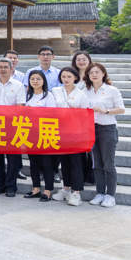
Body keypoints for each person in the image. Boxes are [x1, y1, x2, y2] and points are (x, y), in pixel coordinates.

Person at [84, 63, 125, 208]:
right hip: (91, 130)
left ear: (103, 74)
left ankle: (110, 195)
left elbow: (121, 109)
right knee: (97, 164)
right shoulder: (86, 91)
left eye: (97, 72)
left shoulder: (111, 90)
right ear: (88, 76)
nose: (94, 75)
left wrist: (105, 110)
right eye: (91, 73)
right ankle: (100, 193)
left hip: (107, 129)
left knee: (108, 164)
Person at [51, 67, 88, 206]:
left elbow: (85, 116)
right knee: (64, 162)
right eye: (63, 76)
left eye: (69, 76)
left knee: (76, 163)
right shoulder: (55, 91)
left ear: (75, 78)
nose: (66, 79)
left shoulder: (81, 94)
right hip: (59, 131)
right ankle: (66, 189)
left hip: (75, 132)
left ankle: (76, 193)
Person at [0, 57, 25, 197]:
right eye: (0, 67)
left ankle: (11, 187)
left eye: (5, 67)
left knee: (13, 159)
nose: (3, 69)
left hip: (13, 126)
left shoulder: (18, 85)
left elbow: (20, 106)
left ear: (11, 69)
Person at [22, 70, 57, 201]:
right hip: (30, 134)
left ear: (43, 81)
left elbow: (53, 115)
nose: (35, 81)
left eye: (38, 79)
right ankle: (36, 188)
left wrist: (36, 112)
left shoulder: (48, 96)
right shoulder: (26, 96)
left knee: (46, 163)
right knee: (33, 163)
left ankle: (48, 190)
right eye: (32, 79)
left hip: (44, 133)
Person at [70, 50, 95, 184]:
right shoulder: (71, 77)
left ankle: (91, 176)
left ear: (89, 61)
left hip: (90, 117)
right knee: (79, 150)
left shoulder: (93, 76)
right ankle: (81, 175)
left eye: (84, 59)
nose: (81, 61)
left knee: (91, 149)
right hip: (74, 120)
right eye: (78, 59)